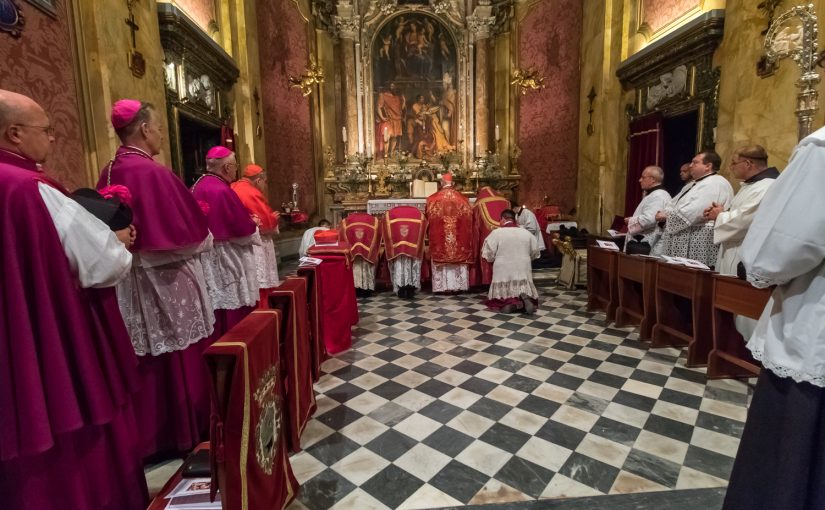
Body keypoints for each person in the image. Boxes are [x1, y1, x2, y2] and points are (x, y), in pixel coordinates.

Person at [0, 90, 148, 509]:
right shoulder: (29, 188)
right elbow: (103, 263)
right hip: (47, 341)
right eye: (45, 131)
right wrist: (118, 241)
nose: (52, 139)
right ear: (14, 133)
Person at [98, 98, 215, 458]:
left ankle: (150, 436)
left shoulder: (108, 172)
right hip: (168, 282)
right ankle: (186, 428)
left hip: (129, 283)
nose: (161, 134)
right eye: (159, 127)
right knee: (177, 352)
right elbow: (193, 235)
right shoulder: (155, 173)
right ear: (145, 129)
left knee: (147, 354)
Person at [722, 127, 825, 510]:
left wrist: (757, 267)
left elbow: (782, 246)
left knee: (791, 461)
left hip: (814, 330)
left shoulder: (821, 149)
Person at [192, 146, 260, 335]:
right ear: (227, 167)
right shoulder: (222, 190)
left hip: (205, 257)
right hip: (226, 257)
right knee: (231, 303)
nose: (237, 169)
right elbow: (241, 230)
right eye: (235, 165)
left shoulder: (198, 184)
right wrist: (253, 223)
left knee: (215, 301)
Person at [703, 145, 779, 276]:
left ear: (748, 163)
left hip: (744, 250)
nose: (730, 167)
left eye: (733, 163)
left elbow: (744, 220)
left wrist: (719, 216)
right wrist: (722, 212)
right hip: (733, 248)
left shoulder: (767, 186)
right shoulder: (751, 185)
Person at [654, 151, 733, 267]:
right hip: (685, 238)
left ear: (708, 166)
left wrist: (667, 215)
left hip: (699, 241)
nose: (691, 165)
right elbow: (672, 204)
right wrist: (667, 212)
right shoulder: (693, 184)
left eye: (695, 162)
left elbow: (693, 211)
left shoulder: (715, 183)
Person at [231, 164, 281, 302]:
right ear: (259, 180)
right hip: (256, 243)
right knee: (261, 279)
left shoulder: (233, 187)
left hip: (238, 244)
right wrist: (274, 218)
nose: (265, 185)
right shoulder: (252, 192)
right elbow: (265, 222)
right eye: (265, 182)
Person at [482, 209, 540, 313]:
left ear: (503, 219)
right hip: (523, 265)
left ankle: (510, 303)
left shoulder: (496, 233)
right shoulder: (526, 233)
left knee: (504, 288)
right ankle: (524, 298)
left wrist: (493, 259)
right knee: (522, 282)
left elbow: (488, 253)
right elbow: (535, 251)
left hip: (503, 266)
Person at [426, 172, 474, 292]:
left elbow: (428, 219)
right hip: (459, 239)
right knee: (458, 251)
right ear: (452, 183)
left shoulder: (432, 199)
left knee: (441, 251)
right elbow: (469, 220)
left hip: (440, 238)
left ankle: (441, 287)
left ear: (442, 183)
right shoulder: (463, 199)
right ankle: (459, 286)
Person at [623, 165, 670, 254]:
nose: (640, 180)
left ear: (652, 179)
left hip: (646, 243)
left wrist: (630, 220)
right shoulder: (654, 194)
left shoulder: (658, 196)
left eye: (643, 177)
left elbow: (649, 219)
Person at [383, 205, 426, 298]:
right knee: (412, 262)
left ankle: (400, 287)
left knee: (399, 263)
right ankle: (411, 286)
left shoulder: (390, 215)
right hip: (413, 248)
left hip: (397, 247)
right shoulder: (418, 215)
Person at [472, 186, 510, 286]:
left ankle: (487, 279)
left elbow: (475, 227)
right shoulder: (505, 201)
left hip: (488, 233)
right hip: (506, 232)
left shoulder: (479, 204)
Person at [340, 212, 381, 296]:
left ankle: (356, 288)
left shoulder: (346, 221)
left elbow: (341, 237)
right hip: (367, 252)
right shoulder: (373, 221)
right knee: (366, 266)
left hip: (353, 254)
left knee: (355, 268)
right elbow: (378, 235)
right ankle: (367, 289)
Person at [377, 82, 405, 156]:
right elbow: (379, 107)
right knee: (387, 137)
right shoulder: (383, 95)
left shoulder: (397, 97)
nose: (393, 87)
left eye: (394, 86)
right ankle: (385, 154)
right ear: (388, 86)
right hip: (389, 119)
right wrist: (382, 117)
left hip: (397, 119)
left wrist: (404, 101)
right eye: (391, 86)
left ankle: (391, 153)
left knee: (395, 137)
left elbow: (400, 109)